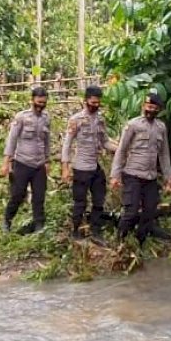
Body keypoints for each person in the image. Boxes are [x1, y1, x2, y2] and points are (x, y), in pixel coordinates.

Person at [110, 92, 171, 243]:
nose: (150, 110)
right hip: (132, 175)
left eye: (154, 107)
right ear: (143, 106)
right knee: (131, 212)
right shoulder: (133, 125)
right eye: (148, 106)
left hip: (150, 177)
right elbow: (121, 150)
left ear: (158, 109)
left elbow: (164, 154)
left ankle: (139, 243)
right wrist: (115, 176)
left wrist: (168, 178)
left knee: (150, 212)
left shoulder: (161, 128)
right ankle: (120, 243)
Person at [61, 85, 116, 241]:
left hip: (95, 166)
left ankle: (96, 229)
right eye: (92, 103)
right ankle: (75, 230)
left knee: (99, 199)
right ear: (85, 101)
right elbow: (67, 144)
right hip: (81, 167)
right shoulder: (76, 120)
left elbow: (105, 142)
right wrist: (65, 168)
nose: (95, 106)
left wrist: (120, 149)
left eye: (98, 103)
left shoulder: (100, 119)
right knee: (80, 202)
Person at [0, 87, 50, 235]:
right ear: (32, 100)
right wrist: (6, 162)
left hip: (39, 164)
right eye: (39, 102)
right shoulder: (21, 117)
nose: (41, 105)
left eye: (44, 103)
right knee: (18, 194)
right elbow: (12, 140)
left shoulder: (47, 118)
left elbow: (47, 141)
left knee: (39, 196)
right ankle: (7, 220)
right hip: (22, 162)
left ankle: (39, 224)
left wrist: (47, 161)